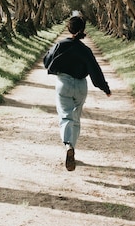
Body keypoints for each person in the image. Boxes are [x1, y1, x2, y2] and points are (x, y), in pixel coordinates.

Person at [43, 15, 111, 171]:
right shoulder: (85, 50)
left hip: (63, 83)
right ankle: (72, 146)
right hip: (80, 86)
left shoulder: (60, 45)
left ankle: (68, 146)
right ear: (83, 29)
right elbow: (95, 71)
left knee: (65, 116)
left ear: (68, 28)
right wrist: (105, 88)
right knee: (76, 118)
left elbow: (47, 61)